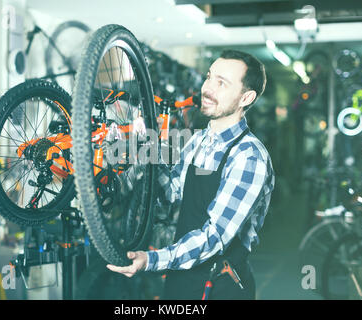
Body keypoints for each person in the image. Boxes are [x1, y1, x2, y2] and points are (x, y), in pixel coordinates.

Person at [107, 50, 275, 300]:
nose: (208, 88)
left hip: (219, 286)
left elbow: (214, 237)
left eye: (222, 83)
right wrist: (146, 152)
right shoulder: (199, 140)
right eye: (209, 77)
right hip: (181, 278)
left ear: (245, 97)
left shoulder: (248, 157)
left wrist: (152, 260)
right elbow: (173, 193)